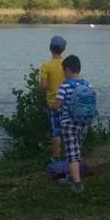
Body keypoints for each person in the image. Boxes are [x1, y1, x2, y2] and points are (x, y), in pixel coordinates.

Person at [50, 55, 93, 194]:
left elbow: (57, 105)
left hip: (69, 124)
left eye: (64, 71)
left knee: (72, 153)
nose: (63, 74)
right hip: (84, 123)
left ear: (68, 70)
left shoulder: (66, 85)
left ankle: (77, 184)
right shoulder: (87, 84)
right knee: (77, 150)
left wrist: (52, 106)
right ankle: (73, 176)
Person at [40, 35, 66, 165]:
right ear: (63, 49)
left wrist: (47, 87)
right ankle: (71, 154)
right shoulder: (66, 65)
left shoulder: (46, 66)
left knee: (56, 131)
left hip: (53, 103)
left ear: (50, 48)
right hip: (66, 102)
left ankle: (56, 157)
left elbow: (44, 86)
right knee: (67, 128)